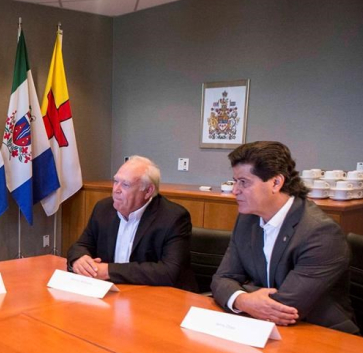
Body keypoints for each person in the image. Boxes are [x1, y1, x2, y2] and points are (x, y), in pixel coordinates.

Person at [211, 141, 359, 334]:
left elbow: (286, 306)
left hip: (320, 334)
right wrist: (243, 300)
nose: (235, 190)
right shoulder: (247, 220)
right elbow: (221, 278)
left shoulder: (321, 233)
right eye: (235, 181)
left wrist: (239, 292)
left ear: (276, 182)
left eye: (244, 182)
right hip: (265, 327)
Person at [67, 156, 197, 291]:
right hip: (112, 293)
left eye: (125, 185)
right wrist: (79, 259)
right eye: (115, 181)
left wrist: (108, 271)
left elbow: (169, 271)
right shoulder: (103, 209)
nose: (116, 189)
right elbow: (81, 245)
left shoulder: (173, 218)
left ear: (148, 191)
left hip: (156, 297)